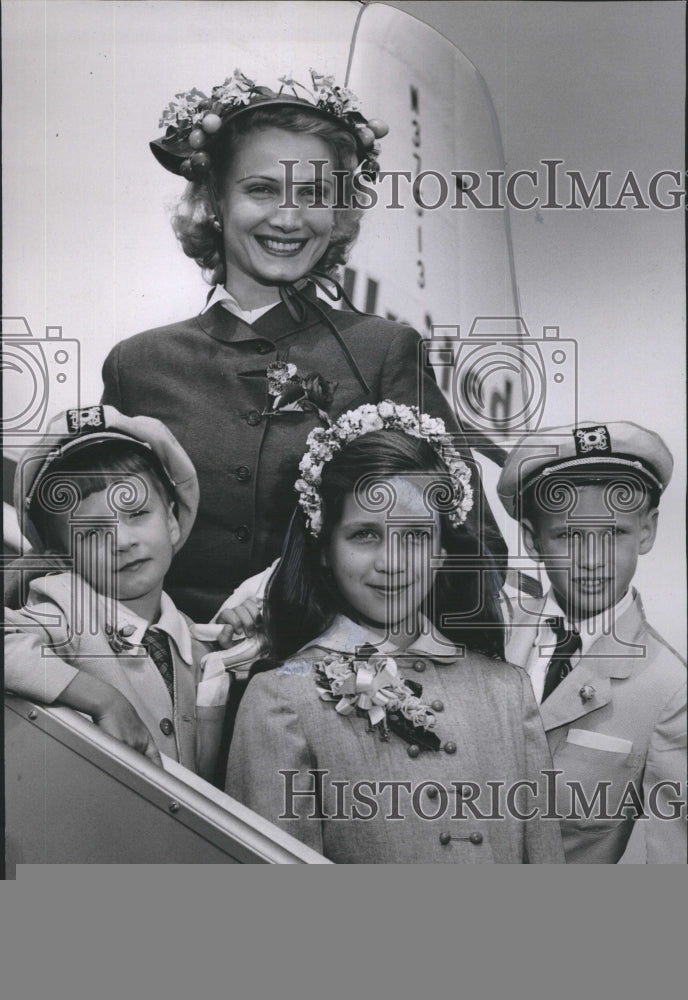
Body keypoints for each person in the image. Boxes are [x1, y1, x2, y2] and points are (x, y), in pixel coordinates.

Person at [101, 68, 506, 621]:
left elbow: (473, 549)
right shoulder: (137, 366)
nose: (288, 219)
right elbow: (90, 548)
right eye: (262, 189)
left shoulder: (385, 352)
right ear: (216, 199)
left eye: (313, 194)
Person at [226, 402, 565, 864]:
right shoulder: (281, 700)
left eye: (416, 535)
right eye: (365, 534)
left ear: (444, 549)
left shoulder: (508, 691)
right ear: (324, 547)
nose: (392, 562)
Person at [4, 405, 230, 782]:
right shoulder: (64, 606)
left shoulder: (197, 643)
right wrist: (102, 698)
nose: (123, 541)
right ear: (62, 554)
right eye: (93, 532)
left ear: (172, 521)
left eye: (137, 513)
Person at [497, 420, 686, 863]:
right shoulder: (490, 635)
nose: (592, 558)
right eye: (567, 535)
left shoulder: (668, 689)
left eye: (614, 532)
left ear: (647, 531)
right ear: (531, 539)